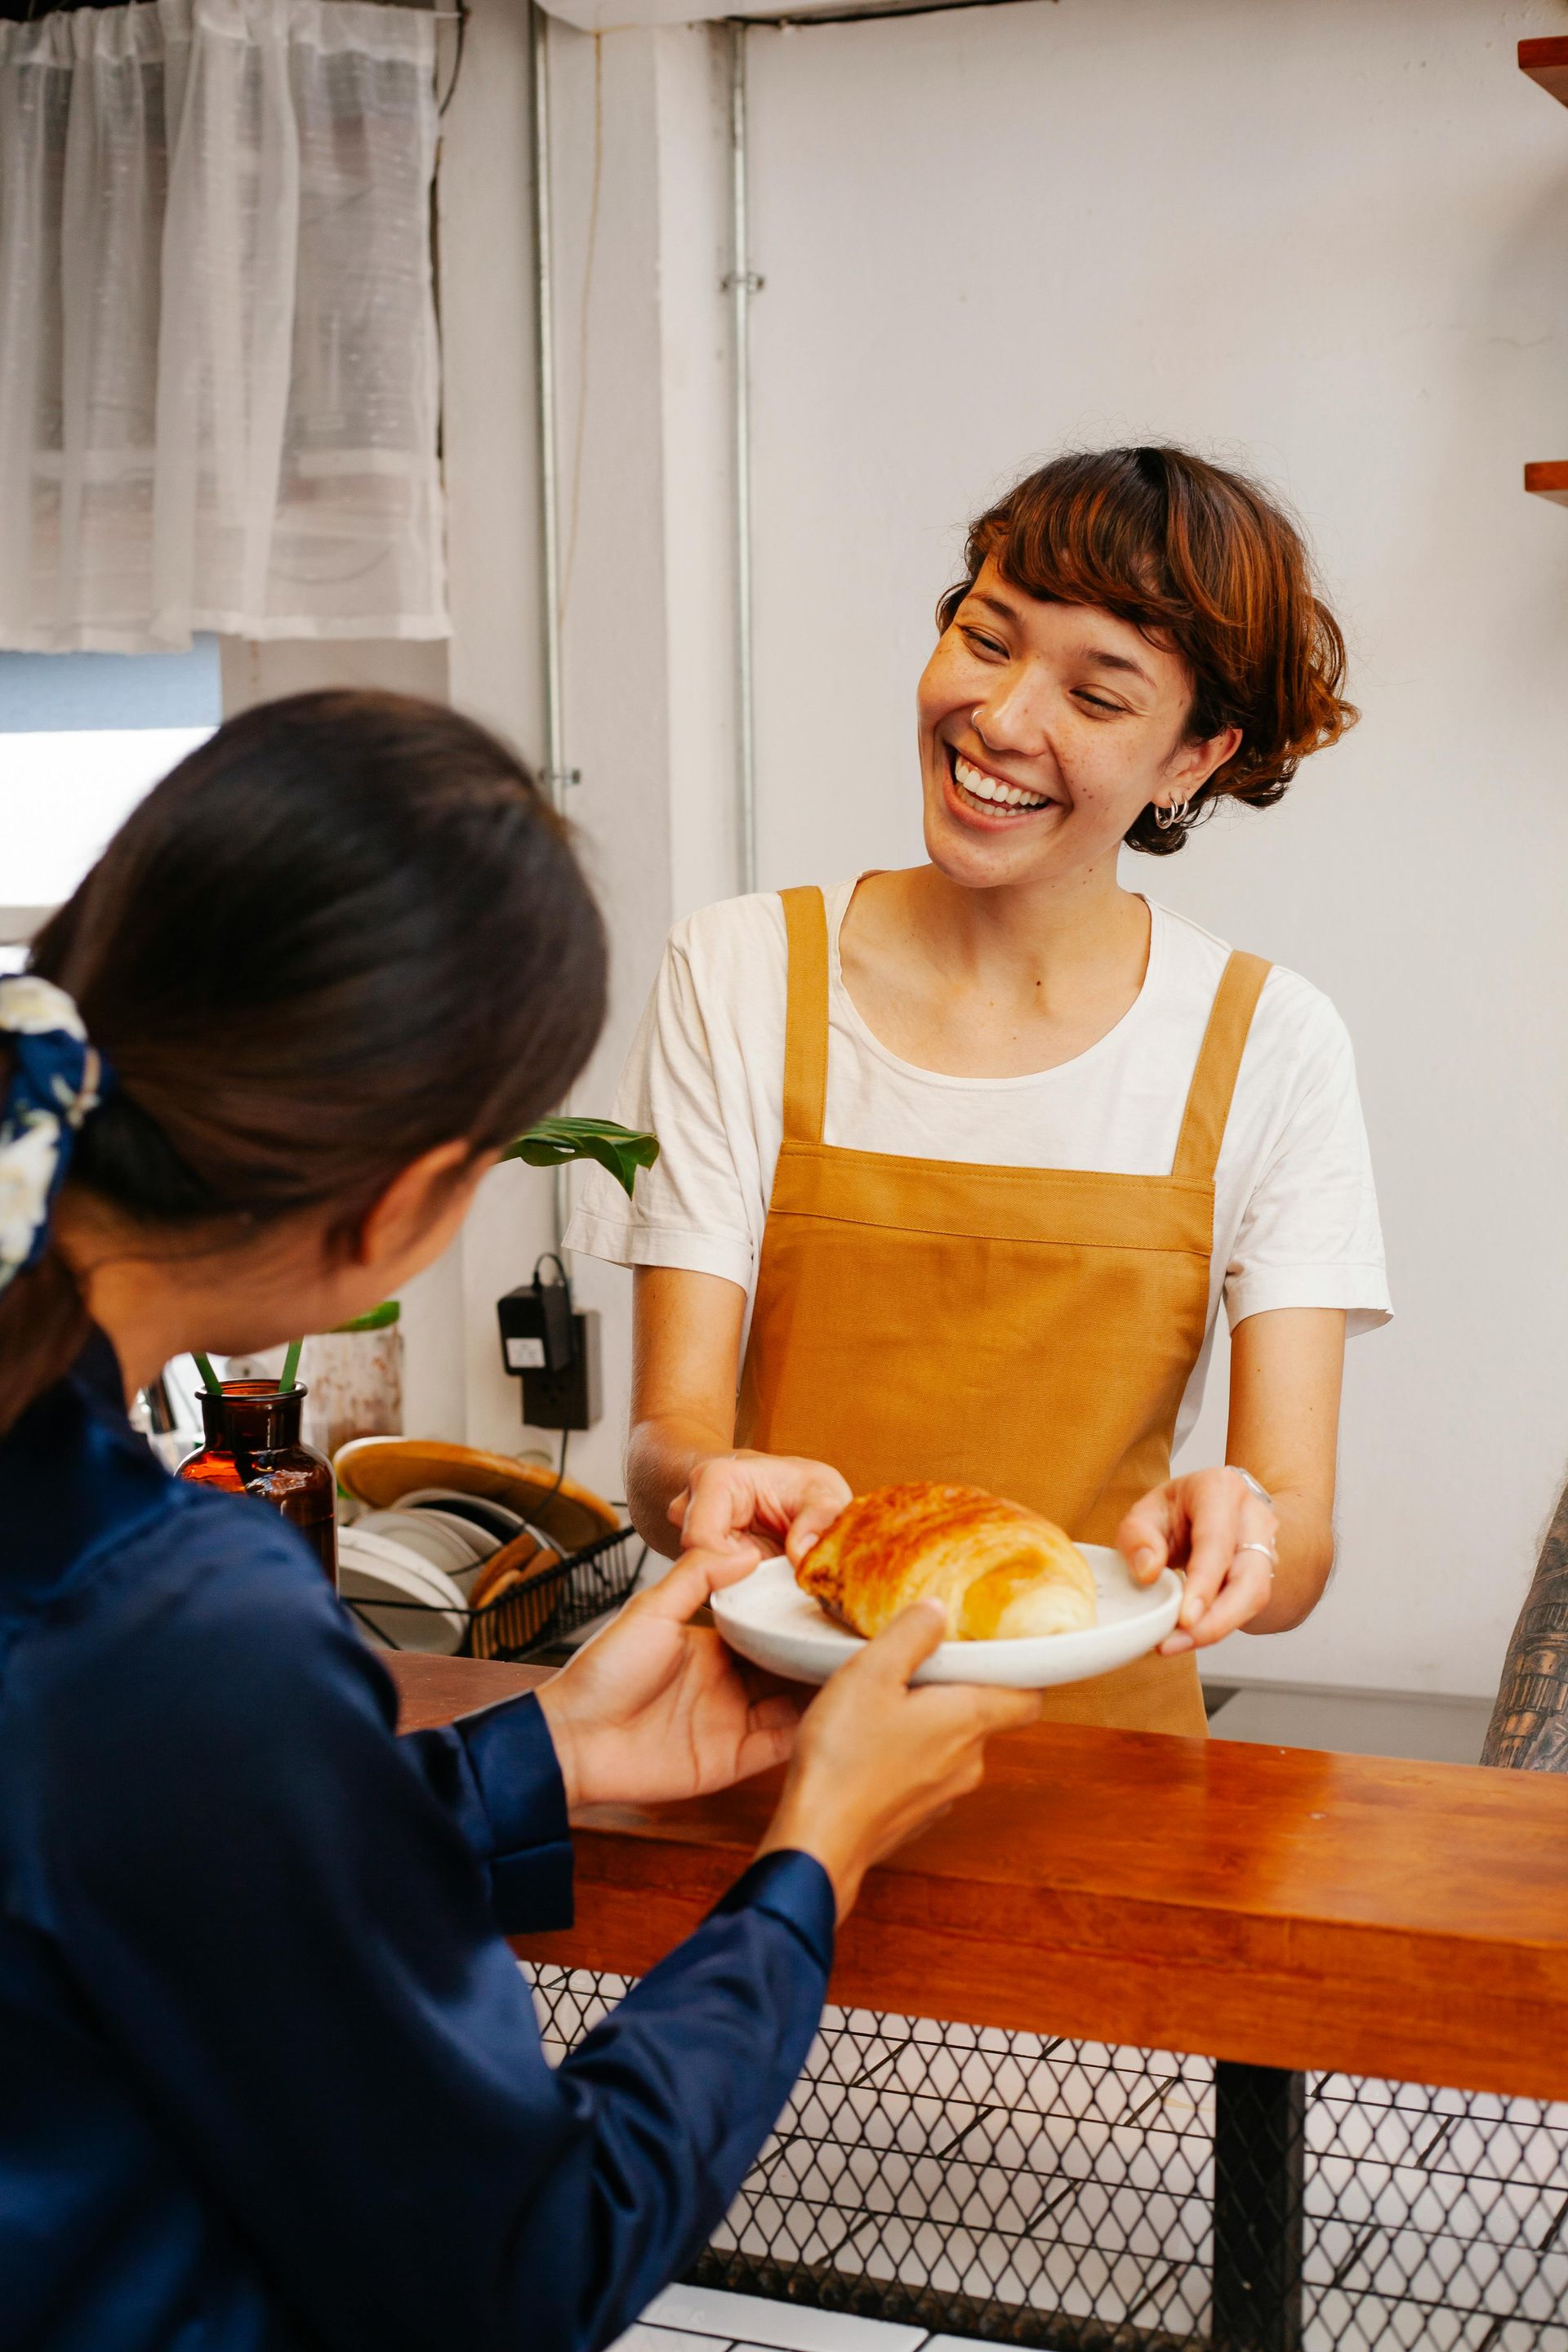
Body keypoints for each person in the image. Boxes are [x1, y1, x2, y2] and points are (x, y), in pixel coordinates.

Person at [0, 693, 1039, 2352]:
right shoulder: (182, 1614)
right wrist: (810, 1864)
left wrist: (536, 1758)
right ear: (408, 1203)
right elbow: (525, 2265)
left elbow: (121, 1860)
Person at [568, 447, 1391, 1737]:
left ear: (1195, 756)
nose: (1003, 720)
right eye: (986, 637)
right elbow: (666, 1445)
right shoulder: (736, 973)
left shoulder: (1269, 1041)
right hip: (765, 1751)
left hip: (1106, 1789)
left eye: (1099, 695)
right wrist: (707, 1482)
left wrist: (1248, 1532)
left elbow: (1297, 1532)